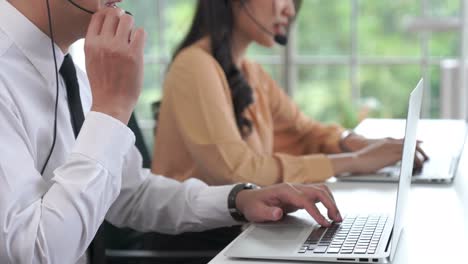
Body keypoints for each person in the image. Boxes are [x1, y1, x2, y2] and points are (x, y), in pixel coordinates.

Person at [0, 0, 343, 263]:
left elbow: (129, 193)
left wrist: (239, 199)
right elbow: (35, 252)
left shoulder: (75, 73)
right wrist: (112, 110)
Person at [151, 0, 428, 186]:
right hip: (200, 247)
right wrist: (355, 162)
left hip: (238, 232)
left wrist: (366, 144)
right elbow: (237, 172)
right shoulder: (194, 66)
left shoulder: (251, 73)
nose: (290, 11)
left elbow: (306, 133)